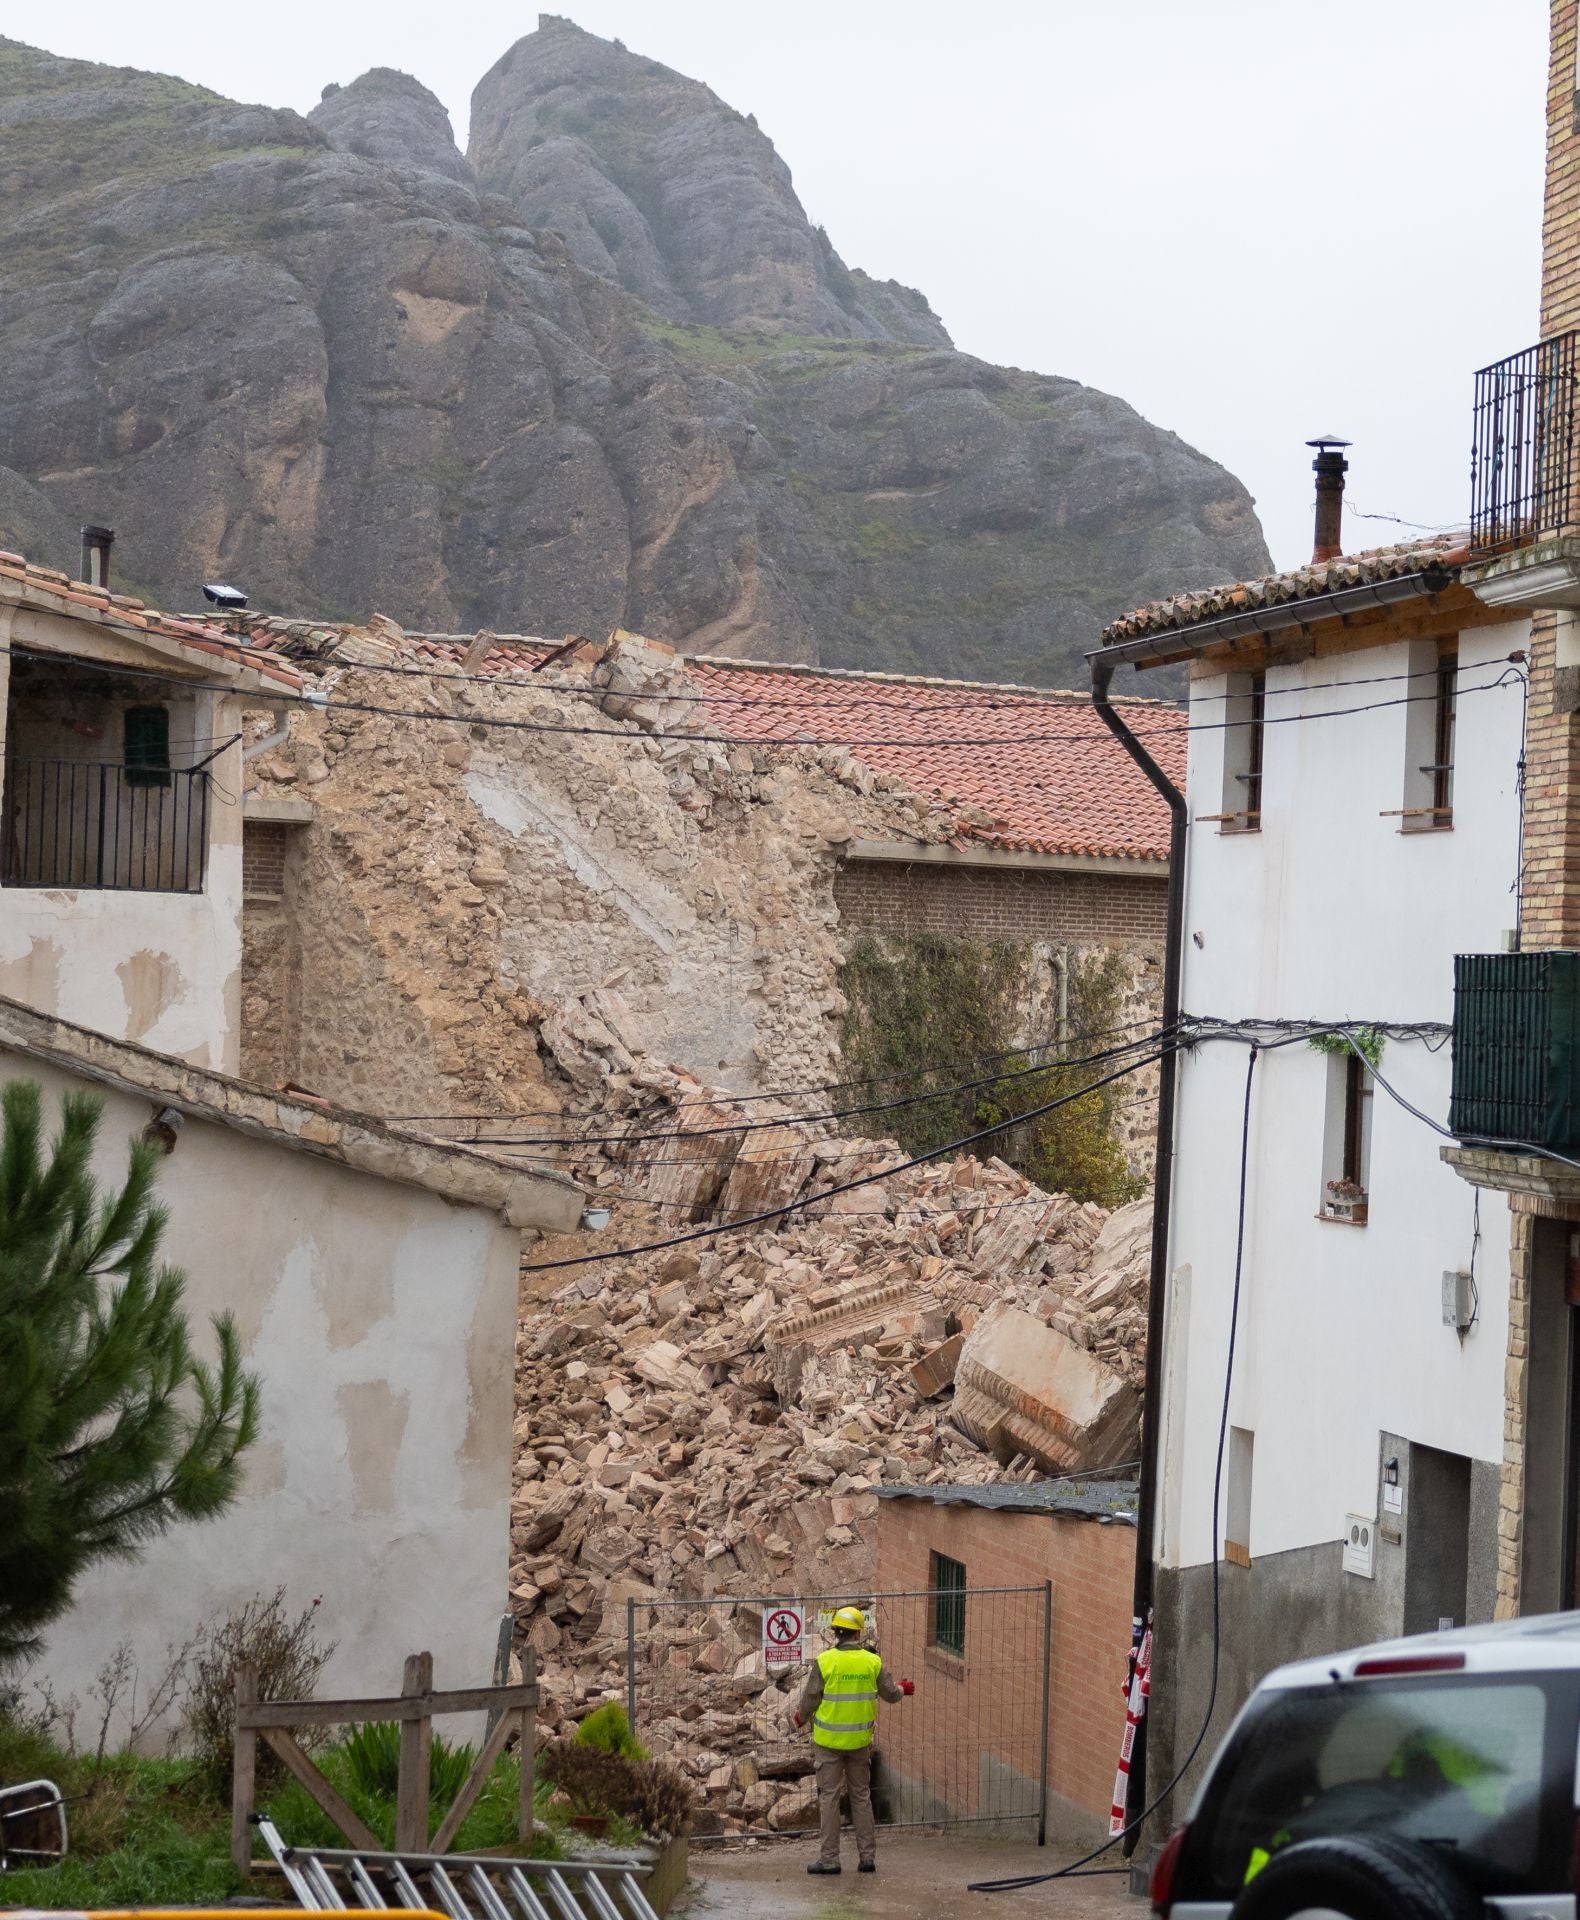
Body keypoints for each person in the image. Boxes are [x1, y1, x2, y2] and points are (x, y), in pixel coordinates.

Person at [792, 1605, 914, 1875]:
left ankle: (830, 1860)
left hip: (828, 1744)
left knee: (829, 1799)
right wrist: (904, 1689)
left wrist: (800, 1717)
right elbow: (892, 1694)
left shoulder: (825, 1662)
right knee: (861, 1797)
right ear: (858, 1632)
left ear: (836, 1632)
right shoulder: (872, 1662)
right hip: (860, 1743)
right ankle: (867, 1858)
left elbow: (810, 1699)